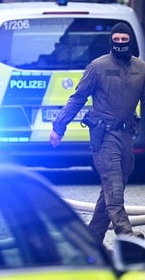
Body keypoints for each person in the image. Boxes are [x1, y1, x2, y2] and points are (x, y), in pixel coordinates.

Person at [49, 22, 145, 245]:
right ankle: (126, 235)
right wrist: (58, 127)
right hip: (104, 136)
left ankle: (91, 241)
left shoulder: (141, 69)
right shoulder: (97, 67)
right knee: (114, 185)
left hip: (126, 135)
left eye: (125, 40)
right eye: (117, 40)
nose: (120, 43)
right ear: (111, 41)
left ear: (130, 41)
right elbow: (78, 98)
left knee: (112, 188)